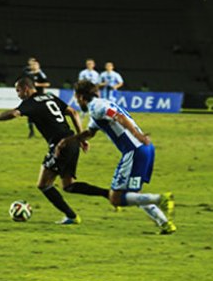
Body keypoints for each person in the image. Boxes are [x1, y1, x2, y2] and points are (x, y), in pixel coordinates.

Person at [0, 77, 110, 225]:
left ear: (26, 89)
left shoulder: (30, 103)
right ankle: (106, 194)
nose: (18, 94)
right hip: (72, 141)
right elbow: (73, 112)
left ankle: (72, 216)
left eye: (18, 91)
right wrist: (81, 138)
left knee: (43, 184)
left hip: (60, 146)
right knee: (68, 186)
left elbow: (13, 114)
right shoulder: (50, 97)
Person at [56, 80, 176, 234]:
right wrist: (68, 141)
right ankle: (164, 223)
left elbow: (118, 117)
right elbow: (89, 133)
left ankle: (161, 199)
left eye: (77, 98)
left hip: (134, 151)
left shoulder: (96, 107)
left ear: (81, 97)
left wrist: (137, 134)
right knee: (134, 194)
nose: (77, 102)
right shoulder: (99, 107)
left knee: (115, 198)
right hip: (145, 149)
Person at [23, 57, 50, 138]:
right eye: (32, 65)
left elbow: (47, 84)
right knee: (30, 114)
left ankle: (46, 131)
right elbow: (23, 70)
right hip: (31, 96)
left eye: (35, 65)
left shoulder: (41, 74)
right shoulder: (30, 74)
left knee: (41, 114)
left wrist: (38, 85)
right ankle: (31, 132)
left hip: (40, 96)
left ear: (38, 66)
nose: (33, 66)